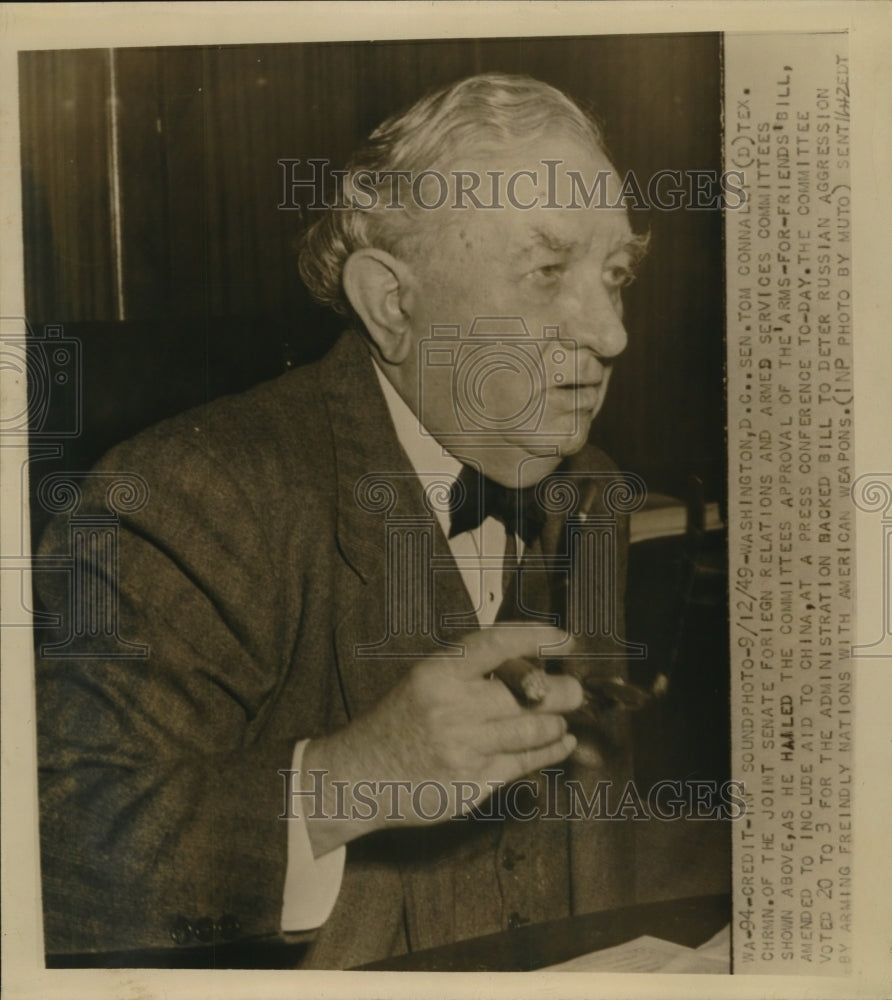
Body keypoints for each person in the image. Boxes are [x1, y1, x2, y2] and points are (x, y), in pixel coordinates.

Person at [35, 72, 649, 968]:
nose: (609, 332)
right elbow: (57, 869)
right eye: (549, 271)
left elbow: (587, 854)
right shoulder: (180, 496)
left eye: (616, 275)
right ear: (393, 304)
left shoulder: (590, 492)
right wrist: (346, 782)